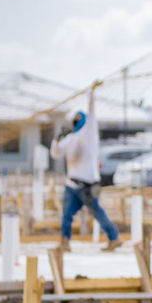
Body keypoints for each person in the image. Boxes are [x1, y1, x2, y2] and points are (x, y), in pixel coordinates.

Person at [50, 86, 121, 252]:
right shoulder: (70, 138)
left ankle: (114, 238)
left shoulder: (89, 134)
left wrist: (91, 95)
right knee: (66, 215)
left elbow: (92, 113)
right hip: (72, 184)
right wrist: (56, 140)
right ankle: (65, 242)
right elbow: (55, 153)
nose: (76, 122)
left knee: (97, 213)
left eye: (79, 119)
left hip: (88, 185)